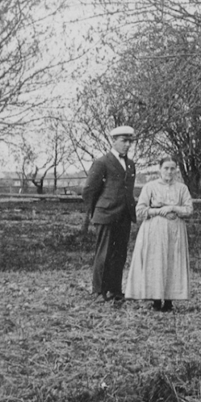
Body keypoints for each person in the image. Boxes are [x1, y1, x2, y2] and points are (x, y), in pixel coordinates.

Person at [124, 157, 193, 312]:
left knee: (172, 262)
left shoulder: (182, 188)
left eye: (172, 168)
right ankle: (155, 299)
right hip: (154, 231)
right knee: (155, 262)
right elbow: (140, 210)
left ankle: (169, 301)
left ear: (176, 170)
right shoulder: (150, 187)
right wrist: (158, 211)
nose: (169, 172)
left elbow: (189, 209)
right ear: (159, 170)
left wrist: (173, 208)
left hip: (175, 231)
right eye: (166, 168)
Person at [83, 126, 138, 304]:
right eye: (124, 141)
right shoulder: (102, 162)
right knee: (104, 254)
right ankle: (99, 291)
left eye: (129, 141)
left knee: (119, 254)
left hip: (124, 215)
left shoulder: (130, 164)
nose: (127, 145)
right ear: (113, 141)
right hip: (105, 215)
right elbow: (89, 190)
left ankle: (115, 290)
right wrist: (95, 212)